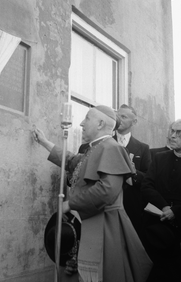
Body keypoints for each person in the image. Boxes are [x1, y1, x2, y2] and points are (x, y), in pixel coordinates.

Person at [33, 105, 152, 282]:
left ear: (100, 124)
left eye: (87, 118)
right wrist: (44, 142)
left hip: (104, 225)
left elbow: (107, 191)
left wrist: (70, 204)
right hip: (91, 221)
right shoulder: (95, 148)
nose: (81, 123)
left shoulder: (111, 148)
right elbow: (72, 160)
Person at [141, 119, 181, 282]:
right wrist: (165, 207)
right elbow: (147, 186)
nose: (172, 135)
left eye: (178, 133)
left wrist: (175, 211)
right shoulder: (159, 158)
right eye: (171, 130)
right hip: (156, 229)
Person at [114, 104, 151, 239]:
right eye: (117, 115)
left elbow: (148, 180)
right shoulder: (105, 142)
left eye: (123, 116)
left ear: (134, 122)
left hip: (132, 208)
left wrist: (133, 172)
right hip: (108, 204)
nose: (119, 119)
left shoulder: (143, 148)